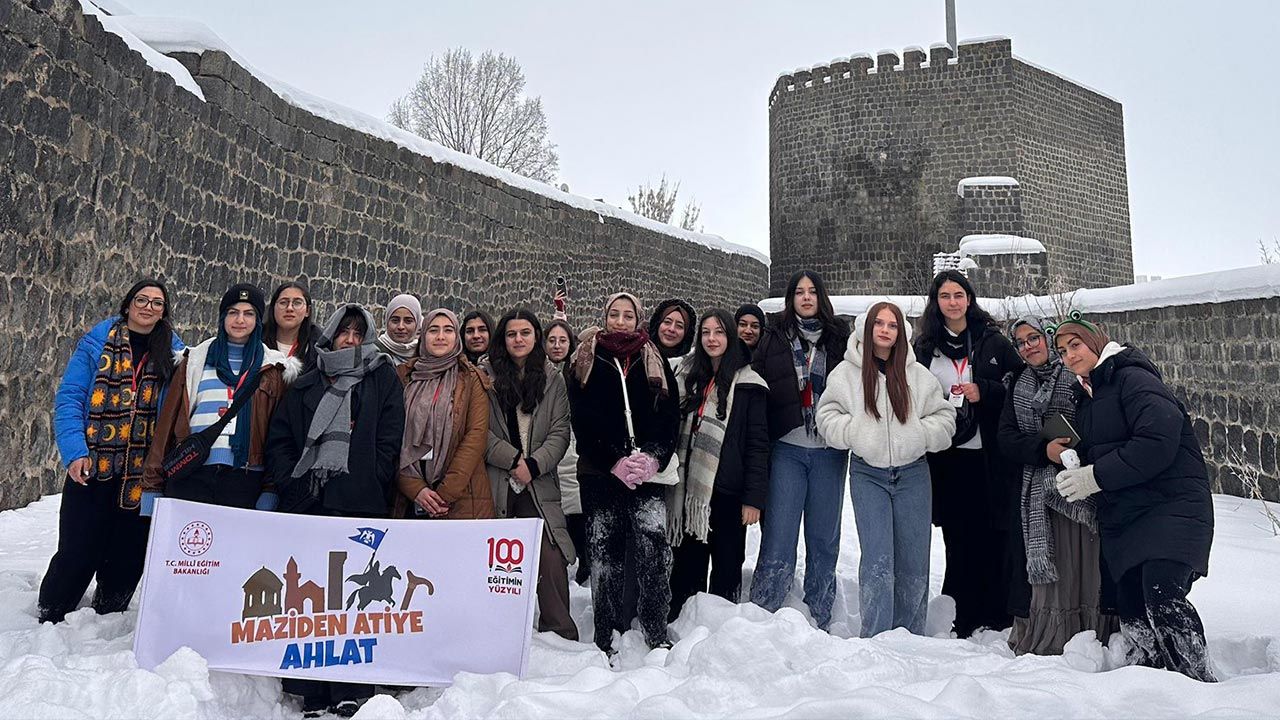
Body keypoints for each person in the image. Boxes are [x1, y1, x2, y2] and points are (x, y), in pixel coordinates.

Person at [1050, 315, 1215, 682]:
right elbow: (1110, 448)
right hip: (1127, 515)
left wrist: (1095, 476)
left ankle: (1198, 682)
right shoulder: (1087, 396)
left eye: (1075, 345)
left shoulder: (1131, 377)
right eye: (1062, 351)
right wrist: (1078, 462)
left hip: (1171, 504)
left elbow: (1157, 440)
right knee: (1132, 608)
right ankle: (1152, 684)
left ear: (1095, 343)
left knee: (1162, 594)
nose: (1069, 356)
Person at [265, 304, 405, 717]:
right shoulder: (309, 380)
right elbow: (281, 437)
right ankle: (311, 689)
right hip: (310, 502)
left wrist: (374, 475)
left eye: (359, 333)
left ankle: (349, 686)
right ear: (331, 334)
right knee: (310, 600)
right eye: (344, 331)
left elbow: (390, 435)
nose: (351, 339)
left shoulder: (381, 377)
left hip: (359, 502)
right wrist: (293, 479)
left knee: (351, 601)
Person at [38, 280, 185, 624]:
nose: (148, 307)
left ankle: (110, 610)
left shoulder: (175, 355)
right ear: (127, 304)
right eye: (142, 300)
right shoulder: (96, 344)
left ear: (164, 312)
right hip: (93, 462)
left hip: (142, 471)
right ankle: (53, 609)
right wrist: (75, 452)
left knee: (128, 550)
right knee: (78, 545)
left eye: (157, 303)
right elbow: (71, 397)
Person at [816, 303, 955, 637]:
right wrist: (855, 432)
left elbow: (945, 418)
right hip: (868, 473)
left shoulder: (918, 375)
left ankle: (910, 636)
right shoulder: (846, 374)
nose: (884, 330)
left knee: (913, 561)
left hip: (913, 474)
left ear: (901, 333)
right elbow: (826, 416)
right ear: (867, 328)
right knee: (878, 558)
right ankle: (877, 637)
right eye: (878, 323)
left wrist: (920, 436)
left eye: (892, 325)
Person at [567, 292, 679, 654]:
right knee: (604, 554)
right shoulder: (587, 357)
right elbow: (582, 421)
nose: (620, 321)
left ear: (637, 319)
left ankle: (654, 626)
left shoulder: (653, 356)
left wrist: (652, 457)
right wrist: (613, 461)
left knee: (653, 550)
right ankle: (606, 633)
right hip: (602, 472)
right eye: (613, 314)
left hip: (645, 473)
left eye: (627, 315)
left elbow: (669, 418)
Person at [913, 270, 1023, 637]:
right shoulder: (925, 348)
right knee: (957, 535)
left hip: (988, 453)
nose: (953, 302)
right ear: (936, 301)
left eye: (959, 295)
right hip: (946, 455)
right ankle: (960, 608)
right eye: (945, 296)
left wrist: (985, 390)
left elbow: (1019, 384)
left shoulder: (992, 342)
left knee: (993, 531)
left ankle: (997, 611)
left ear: (970, 299)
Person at [998, 316, 1117, 655]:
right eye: (1020, 342)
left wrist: (1073, 450)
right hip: (1038, 492)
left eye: (1034, 337)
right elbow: (1006, 438)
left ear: (1048, 338)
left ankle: (1090, 633)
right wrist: (1043, 449)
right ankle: (1054, 635)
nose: (1028, 346)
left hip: (1080, 486)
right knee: (1055, 568)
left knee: (1084, 564)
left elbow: (1099, 421)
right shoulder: (1017, 384)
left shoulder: (1076, 374)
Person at [748, 270, 850, 631]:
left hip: (829, 451)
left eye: (812, 292)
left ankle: (820, 615)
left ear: (821, 297)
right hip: (787, 448)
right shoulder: (774, 338)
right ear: (790, 299)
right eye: (799, 293)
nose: (806, 298)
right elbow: (756, 386)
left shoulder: (841, 339)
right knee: (779, 534)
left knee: (824, 538)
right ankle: (764, 612)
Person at [141, 284, 301, 511]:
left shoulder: (273, 368)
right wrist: (152, 486)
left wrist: (270, 489)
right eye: (233, 312)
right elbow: (167, 424)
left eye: (248, 314)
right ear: (223, 317)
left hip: (245, 479)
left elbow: (277, 435)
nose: (240, 320)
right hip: (191, 470)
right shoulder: (194, 360)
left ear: (257, 320)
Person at [480, 308, 578, 640]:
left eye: (525, 333)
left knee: (551, 556)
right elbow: (479, 431)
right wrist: (511, 460)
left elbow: (560, 431)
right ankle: (497, 631)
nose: (518, 339)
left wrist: (533, 465)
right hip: (497, 481)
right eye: (511, 334)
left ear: (536, 336)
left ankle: (559, 634)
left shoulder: (552, 379)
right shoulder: (485, 376)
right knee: (497, 560)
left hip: (538, 482)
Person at [667, 308, 769, 622]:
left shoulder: (750, 384)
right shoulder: (687, 377)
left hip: (728, 490)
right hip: (690, 491)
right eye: (707, 332)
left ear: (731, 336)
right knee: (687, 568)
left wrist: (753, 499)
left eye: (720, 332)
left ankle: (722, 635)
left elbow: (757, 445)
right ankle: (682, 629)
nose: (713, 339)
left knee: (726, 567)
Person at [395, 309, 494, 520]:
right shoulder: (404, 376)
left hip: (461, 495)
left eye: (448, 330)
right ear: (423, 336)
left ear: (456, 337)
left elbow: (475, 436)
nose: (440, 336)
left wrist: (445, 494)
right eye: (433, 330)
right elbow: (392, 433)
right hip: (410, 493)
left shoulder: (471, 378)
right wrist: (414, 488)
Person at [546, 317, 589, 585]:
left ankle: (582, 562)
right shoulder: (538, 372)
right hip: (547, 448)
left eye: (563, 340)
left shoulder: (578, 371)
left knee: (576, 506)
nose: (558, 345)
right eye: (552, 340)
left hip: (574, 446)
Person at [263, 281, 319, 370]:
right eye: (283, 302)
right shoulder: (256, 341)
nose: (289, 308)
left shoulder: (318, 350)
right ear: (273, 307)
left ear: (307, 311)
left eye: (297, 303)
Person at [373, 293, 421, 367]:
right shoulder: (373, 352)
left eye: (408, 321)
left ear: (417, 324)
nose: (401, 327)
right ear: (387, 321)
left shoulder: (424, 354)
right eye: (395, 320)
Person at [648, 299, 696, 368]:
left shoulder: (691, 369)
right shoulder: (637, 357)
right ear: (657, 324)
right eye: (667, 322)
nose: (672, 329)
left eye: (679, 326)